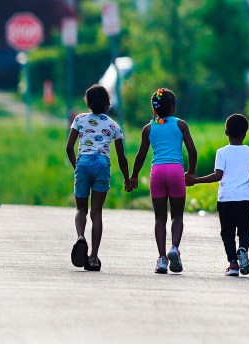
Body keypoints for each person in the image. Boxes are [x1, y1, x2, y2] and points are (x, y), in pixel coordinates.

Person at [129, 88, 197, 274]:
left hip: (157, 172)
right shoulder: (181, 125)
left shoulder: (149, 128)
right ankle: (174, 248)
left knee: (160, 217)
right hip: (176, 172)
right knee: (177, 216)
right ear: (173, 107)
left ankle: (161, 259)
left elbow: (141, 155)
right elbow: (192, 151)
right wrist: (190, 173)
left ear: (154, 108)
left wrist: (134, 176)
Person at [65, 84, 131, 272]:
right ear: (108, 103)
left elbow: (69, 148)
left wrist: (77, 167)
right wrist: (127, 178)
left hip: (83, 163)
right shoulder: (114, 126)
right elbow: (121, 157)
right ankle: (93, 258)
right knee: (96, 212)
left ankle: (80, 237)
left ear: (87, 102)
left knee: (81, 209)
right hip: (102, 164)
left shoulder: (79, 119)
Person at [186, 114, 249, 277]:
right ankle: (243, 249)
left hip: (226, 200)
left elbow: (218, 175)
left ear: (226, 132)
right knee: (245, 229)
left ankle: (233, 264)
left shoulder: (222, 152)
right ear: (245, 134)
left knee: (227, 232)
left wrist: (196, 180)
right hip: (245, 199)